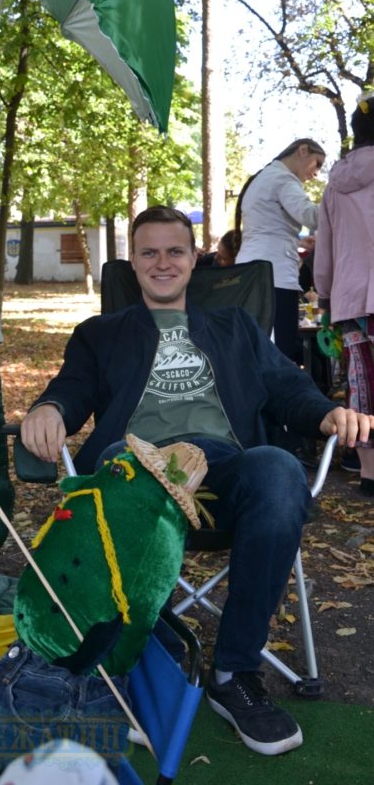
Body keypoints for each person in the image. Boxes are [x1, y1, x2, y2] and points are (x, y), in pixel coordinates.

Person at [21, 205, 374, 758]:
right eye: (149, 252)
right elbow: (71, 388)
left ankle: (234, 674)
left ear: (193, 261)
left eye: (175, 251)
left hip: (226, 473)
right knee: (122, 460)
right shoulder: (100, 334)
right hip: (136, 468)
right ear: (132, 264)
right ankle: (138, 660)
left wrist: (327, 414)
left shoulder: (236, 327)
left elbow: (289, 387)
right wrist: (47, 408)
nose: (163, 262)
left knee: (280, 468)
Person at [314, 96, 374, 496]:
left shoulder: (336, 182)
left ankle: (370, 473)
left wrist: (324, 297)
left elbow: (326, 247)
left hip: (350, 299)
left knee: (361, 385)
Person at [234, 139, 326, 359]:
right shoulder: (283, 178)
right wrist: (338, 201)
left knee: (258, 349)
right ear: (302, 151)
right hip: (274, 275)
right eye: (317, 164)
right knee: (279, 352)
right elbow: (310, 215)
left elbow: (268, 227)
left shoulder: (266, 177)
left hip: (254, 272)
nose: (316, 174)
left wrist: (297, 242)